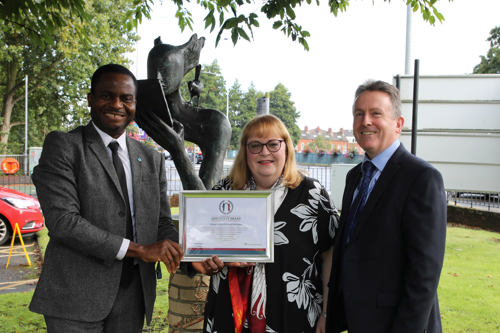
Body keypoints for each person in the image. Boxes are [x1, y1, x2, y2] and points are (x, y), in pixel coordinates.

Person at [29, 64, 183, 332]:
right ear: (91, 99)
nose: (117, 104)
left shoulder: (151, 159)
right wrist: (140, 250)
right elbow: (64, 222)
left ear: (135, 103)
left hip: (133, 296)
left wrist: (189, 250)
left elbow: (161, 222)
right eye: (106, 96)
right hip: (76, 298)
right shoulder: (63, 146)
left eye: (126, 98)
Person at [192, 114, 340, 333]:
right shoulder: (224, 193)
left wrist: (327, 314)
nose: (264, 152)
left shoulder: (313, 195)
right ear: (245, 151)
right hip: (230, 315)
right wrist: (202, 261)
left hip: (295, 317)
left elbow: (331, 255)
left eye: (273, 144)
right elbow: (198, 249)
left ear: (286, 148)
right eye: (255, 145)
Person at [326, 80, 447, 332]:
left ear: (398, 124)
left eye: (376, 113)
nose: (365, 121)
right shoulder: (355, 177)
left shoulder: (421, 178)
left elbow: (424, 276)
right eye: (359, 114)